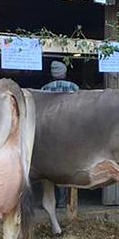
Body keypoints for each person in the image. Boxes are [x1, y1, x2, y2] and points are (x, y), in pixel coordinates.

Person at [40, 61, 78, 207]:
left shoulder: (44, 89)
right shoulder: (73, 87)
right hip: (70, 132)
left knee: (50, 165)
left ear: (52, 73)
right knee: (68, 164)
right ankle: (65, 200)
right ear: (64, 72)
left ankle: (53, 198)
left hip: (49, 132)